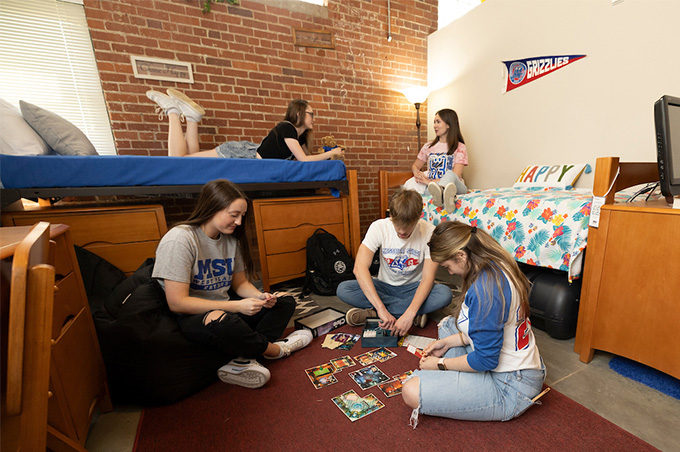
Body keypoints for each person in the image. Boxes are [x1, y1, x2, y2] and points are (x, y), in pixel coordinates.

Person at [152, 179, 313, 388]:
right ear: (212, 208)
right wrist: (237, 306)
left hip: (226, 307)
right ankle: (276, 350)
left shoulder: (231, 241)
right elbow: (177, 303)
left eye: (242, 216)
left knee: (285, 301)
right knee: (226, 321)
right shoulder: (180, 239)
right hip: (192, 316)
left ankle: (245, 358)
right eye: (233, 215)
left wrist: (259, 297)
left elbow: (240, 284)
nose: (238, 222)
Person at [401, 221, 545, 425]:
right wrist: (450, 342)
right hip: (520, 364)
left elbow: (487, 361)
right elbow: (493, 325)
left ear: (461, 255)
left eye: (447, 267)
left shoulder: (485, 291)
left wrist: (440, 365)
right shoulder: (495, 263)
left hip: (510, 386)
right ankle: (464, 375)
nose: (449, 273)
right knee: (448, 325)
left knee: (411, 391)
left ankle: (467, 379)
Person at [336, 188, 452, 337]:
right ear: (391, 215)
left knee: (444, 294)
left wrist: (408, 314)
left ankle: (375, 314)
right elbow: (359, 268)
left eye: (408, 226)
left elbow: (428, 279)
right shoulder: (378, 227)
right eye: (398, 226)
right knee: (344, 289)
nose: (402, 232)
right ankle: (408, 313)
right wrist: (381, 308)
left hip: (414, 288)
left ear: (418, 217)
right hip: (384, 287)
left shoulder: (430, 232)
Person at [146, 88, 344, 160]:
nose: (314, 118)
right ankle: (173, 112)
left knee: (190, 160)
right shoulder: (287, 128)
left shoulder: (298, 136)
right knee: (180, 161)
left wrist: (328, 156)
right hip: (241, 153)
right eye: (311, 113)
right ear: (299, 114)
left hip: (247, 151)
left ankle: (191, 119)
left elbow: (308, 160)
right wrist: (331, 153)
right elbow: (303, 160)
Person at [403, 108, 468, 211]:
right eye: (434, 122)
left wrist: (429, 182)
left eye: (438, 122)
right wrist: (416, 172)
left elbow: (456, 175)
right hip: (432, 188)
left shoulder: (460, 147)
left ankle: (443, 191)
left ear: (448, 124)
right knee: (424, 189)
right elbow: (416, 166)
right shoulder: (428, 146)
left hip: (455, 187)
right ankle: (444, 197)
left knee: (450, 174)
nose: (435, 125)